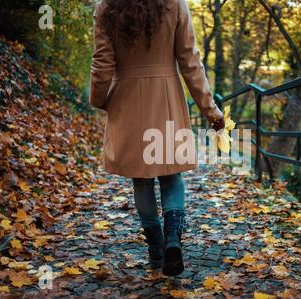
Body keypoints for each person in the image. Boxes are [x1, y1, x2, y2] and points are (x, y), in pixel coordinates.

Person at [89, 0, 225, 276]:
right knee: (171, 175)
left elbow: (103, 62)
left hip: (127, 100)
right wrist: (211, 111)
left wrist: (99, 100)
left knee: (141, 179)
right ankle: (173, 238)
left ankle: (156, 248)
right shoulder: (174, 4)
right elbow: (190, 62)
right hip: (166, 99)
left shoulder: (107, 8)